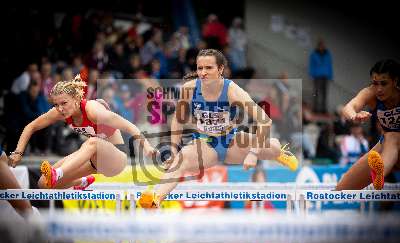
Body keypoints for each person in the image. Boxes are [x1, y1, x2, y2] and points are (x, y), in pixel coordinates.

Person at [139, 49, 298, 208]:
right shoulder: (189, 89)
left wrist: (253, 153)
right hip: (204, 143)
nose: (203, 73)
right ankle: (155, 198)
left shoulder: (232, 90)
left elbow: (265, 121)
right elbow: (178, 120)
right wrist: (173, 150)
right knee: (181, 160)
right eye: (200, 68)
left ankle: (279, 152)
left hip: (232, 141)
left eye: (209, 68)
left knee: (274, 148)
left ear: (220, 69)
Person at [8, 75, 157, 190]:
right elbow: (31, 126)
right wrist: (18, 152)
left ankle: (58, 173)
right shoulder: (60, 112)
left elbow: (129, 126)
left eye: (64, 103)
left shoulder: (93, 110)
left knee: (92, 142)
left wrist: (147, 147)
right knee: (43, 184)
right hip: (94, 161)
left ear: (76, 99)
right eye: (56, 104)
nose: (60, 109)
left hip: (116, 157)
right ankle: (82, 182)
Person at [336, 59, 400, 190]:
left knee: (393, 136)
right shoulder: (371, 93)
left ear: (395, 81)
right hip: (386, 148)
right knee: (341, 190)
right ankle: (379, 172)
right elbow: (349, 107)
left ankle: (380, 172)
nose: (379, 89)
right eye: (375, 83)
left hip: (393, 142)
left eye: (384, 83)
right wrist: (354, 116)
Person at [308, 39, 333, 113]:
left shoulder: (327, 54)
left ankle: (323, 109)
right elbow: (311, 65)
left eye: (323, 45)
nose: (321, 47)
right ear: (318, 46)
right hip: (317, 76)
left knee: (324, 93)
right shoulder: (314, 54)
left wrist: (330, 75)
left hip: (325, 76)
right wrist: (311, 74)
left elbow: (329, 66)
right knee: (316, 93)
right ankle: (315, 108)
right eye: (320, 45)